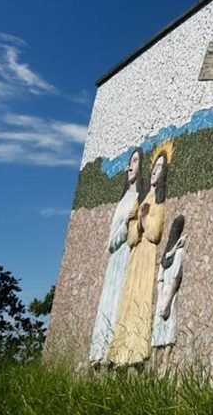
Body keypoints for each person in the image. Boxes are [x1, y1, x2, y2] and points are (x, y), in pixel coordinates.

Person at [108, 140, 172, 366]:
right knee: (128, 301)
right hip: (135, 258)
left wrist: (144, 219)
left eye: (160, 168)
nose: (155, 171)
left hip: (147, 259)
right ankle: (119, 354)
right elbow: (132, 237)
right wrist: (137, 223)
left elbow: (154, 234)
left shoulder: (160, 202)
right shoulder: (142, 200)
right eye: (154, 167)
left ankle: (135, 352)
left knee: (141, 301)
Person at [88, 147, 146, 365]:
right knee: (110, 301)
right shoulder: (124, 200)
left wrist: (137, 219)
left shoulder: (140, 197)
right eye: (130, 161)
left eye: (136, 161)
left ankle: (117, 350)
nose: (130, 166)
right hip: (117, 260)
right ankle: (100, 351)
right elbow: (112, 241)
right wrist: (124, 221)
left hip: (130, 258)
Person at [151, 214, 185, 349]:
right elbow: (172, 281)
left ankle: (162, 369)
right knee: (164, 337)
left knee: (163, 336)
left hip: (165, 297)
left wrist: (163, 301)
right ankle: (160, 369)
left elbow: (166, 281)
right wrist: (165, 303)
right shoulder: (176, 252)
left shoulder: (172, 253)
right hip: (167, 298)